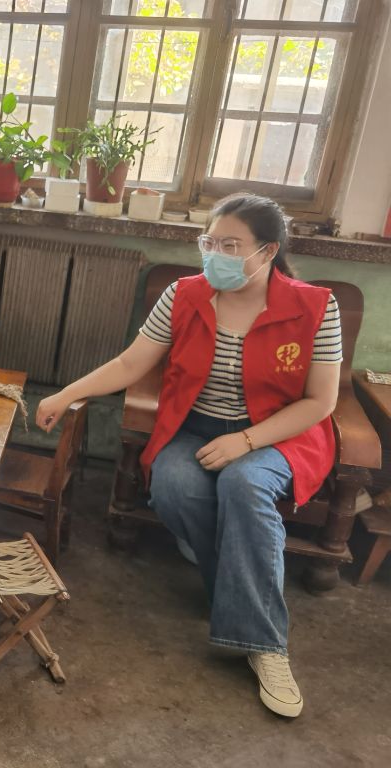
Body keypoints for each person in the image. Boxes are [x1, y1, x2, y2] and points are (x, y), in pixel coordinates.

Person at [37, 193, 342, 718]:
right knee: (173, 485)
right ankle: (237, 585)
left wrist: (246, 441)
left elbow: (321, 402)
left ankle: (266, 646)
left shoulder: (316, 307)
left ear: (268, 251)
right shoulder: (184, 295)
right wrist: (66, 394)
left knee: (244, 484)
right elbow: (131, 364)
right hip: (195, 426)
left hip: (279, 434)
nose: (216, 254)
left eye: (231, 245)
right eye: (210, 242)